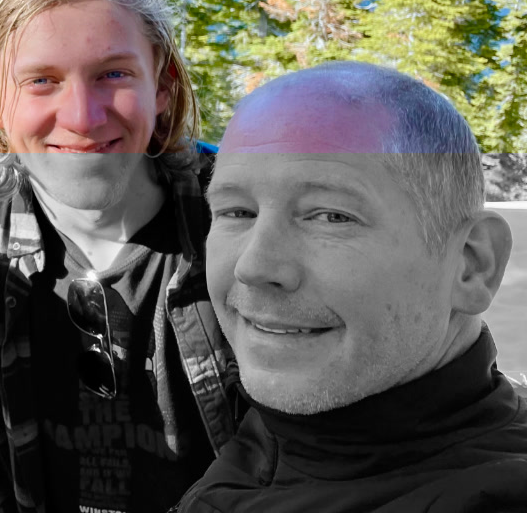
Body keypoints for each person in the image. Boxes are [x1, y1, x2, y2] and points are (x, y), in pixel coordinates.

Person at [0, 0, 240, 513]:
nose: (83, 117)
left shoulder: (236, 214)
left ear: (162, 84)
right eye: (42, 81)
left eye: (113, 74)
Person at [176, 61, 527, 513]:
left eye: (331, 216)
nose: (254, 266)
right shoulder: (292, 430)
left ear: (471, 265)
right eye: (237, 212)